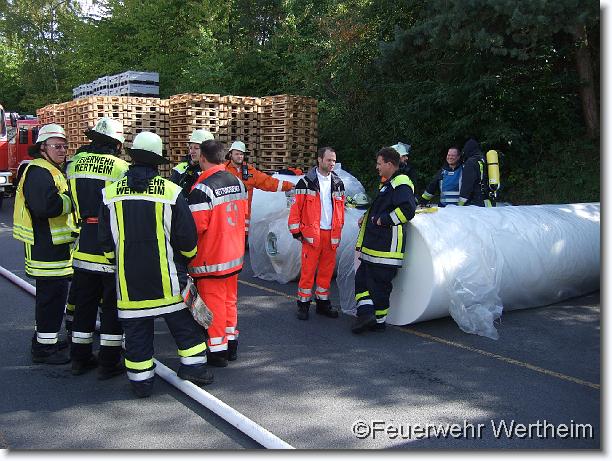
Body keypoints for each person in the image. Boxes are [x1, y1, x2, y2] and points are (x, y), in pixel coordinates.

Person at [99, 131, 213, 398]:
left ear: (133, 158)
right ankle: (194, 369)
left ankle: (141, 383)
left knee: (137, 334)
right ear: (156, 161)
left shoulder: (109, 194)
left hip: (128, 282)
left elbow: (104, 240)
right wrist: (186, 260)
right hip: (168, 279)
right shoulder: (172, 192)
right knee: (185, 327)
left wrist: (116, 262)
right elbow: (187, 238)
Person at [65, 117, 128, 378]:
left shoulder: (74, 163)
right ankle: (108, 363)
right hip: (109, 244)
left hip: (83, 244)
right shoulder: (120, 167)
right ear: (116, 144)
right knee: (111, 306)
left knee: (84, 304)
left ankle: (79, 359)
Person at [13, 124, 76, 364]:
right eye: (56, 146)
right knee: (50, 300)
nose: (62, 150)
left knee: (54, 298)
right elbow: (45, 207)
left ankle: (47, 340)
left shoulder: (51, 169)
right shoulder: (39, 171)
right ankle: (43, 350)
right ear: (42, 148)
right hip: (45, 249)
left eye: (64, 146)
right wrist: (71, 200)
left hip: (54, 247)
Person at [188, 140, 247, 367]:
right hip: (233, 256)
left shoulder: (202, 189)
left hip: (211, 259)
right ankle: (231, 344)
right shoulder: (237, 182)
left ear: (203, 157)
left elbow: (195, 228)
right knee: (229, 301)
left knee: (214, 306)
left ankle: (217, 351)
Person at [352, 146, 416, 334]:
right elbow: (382, 208)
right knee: (362, 279)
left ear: (389, 164)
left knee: (379, 286)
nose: (377, 167)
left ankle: (378, 322)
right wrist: (367, 217)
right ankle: (366, 315)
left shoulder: (401, 182)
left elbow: (407, 210)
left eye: (379, 163)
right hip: (375, 246)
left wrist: (383, 220)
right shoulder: (389, 184)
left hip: (386, 248)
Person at [288, 147, 345, 320]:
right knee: (308, 271)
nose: (332, 163)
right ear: (319, 160)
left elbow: (341, 210)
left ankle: (322, 303)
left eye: (334, 160)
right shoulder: (305, 183)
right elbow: (295, 208)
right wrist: (296, 231)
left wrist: (339, 228)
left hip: (331, 234)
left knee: (326, 272)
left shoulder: (338, 183)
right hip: (312, 234)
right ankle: (303, 304)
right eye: (329, 160)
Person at [224, 140, 294, 238]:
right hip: (225, 219)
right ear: (230, 154)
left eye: (241, 154)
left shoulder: (250, 172)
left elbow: (268, 182)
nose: (239, 156)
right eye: (237, 154)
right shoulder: (223, 170)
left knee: (242, 246)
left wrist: (288, 185)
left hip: (243, 223)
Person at [170, 129, 214, 195]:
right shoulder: (180, 169)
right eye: (190, 148)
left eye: (196, 148)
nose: (192, 152)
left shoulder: (215, 170)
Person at [458, 138, 493, 207]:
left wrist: (460, 204)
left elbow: (467, 186)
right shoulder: (483, 159)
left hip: (475, 203)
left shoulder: (470, 162)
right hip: (487, 201)